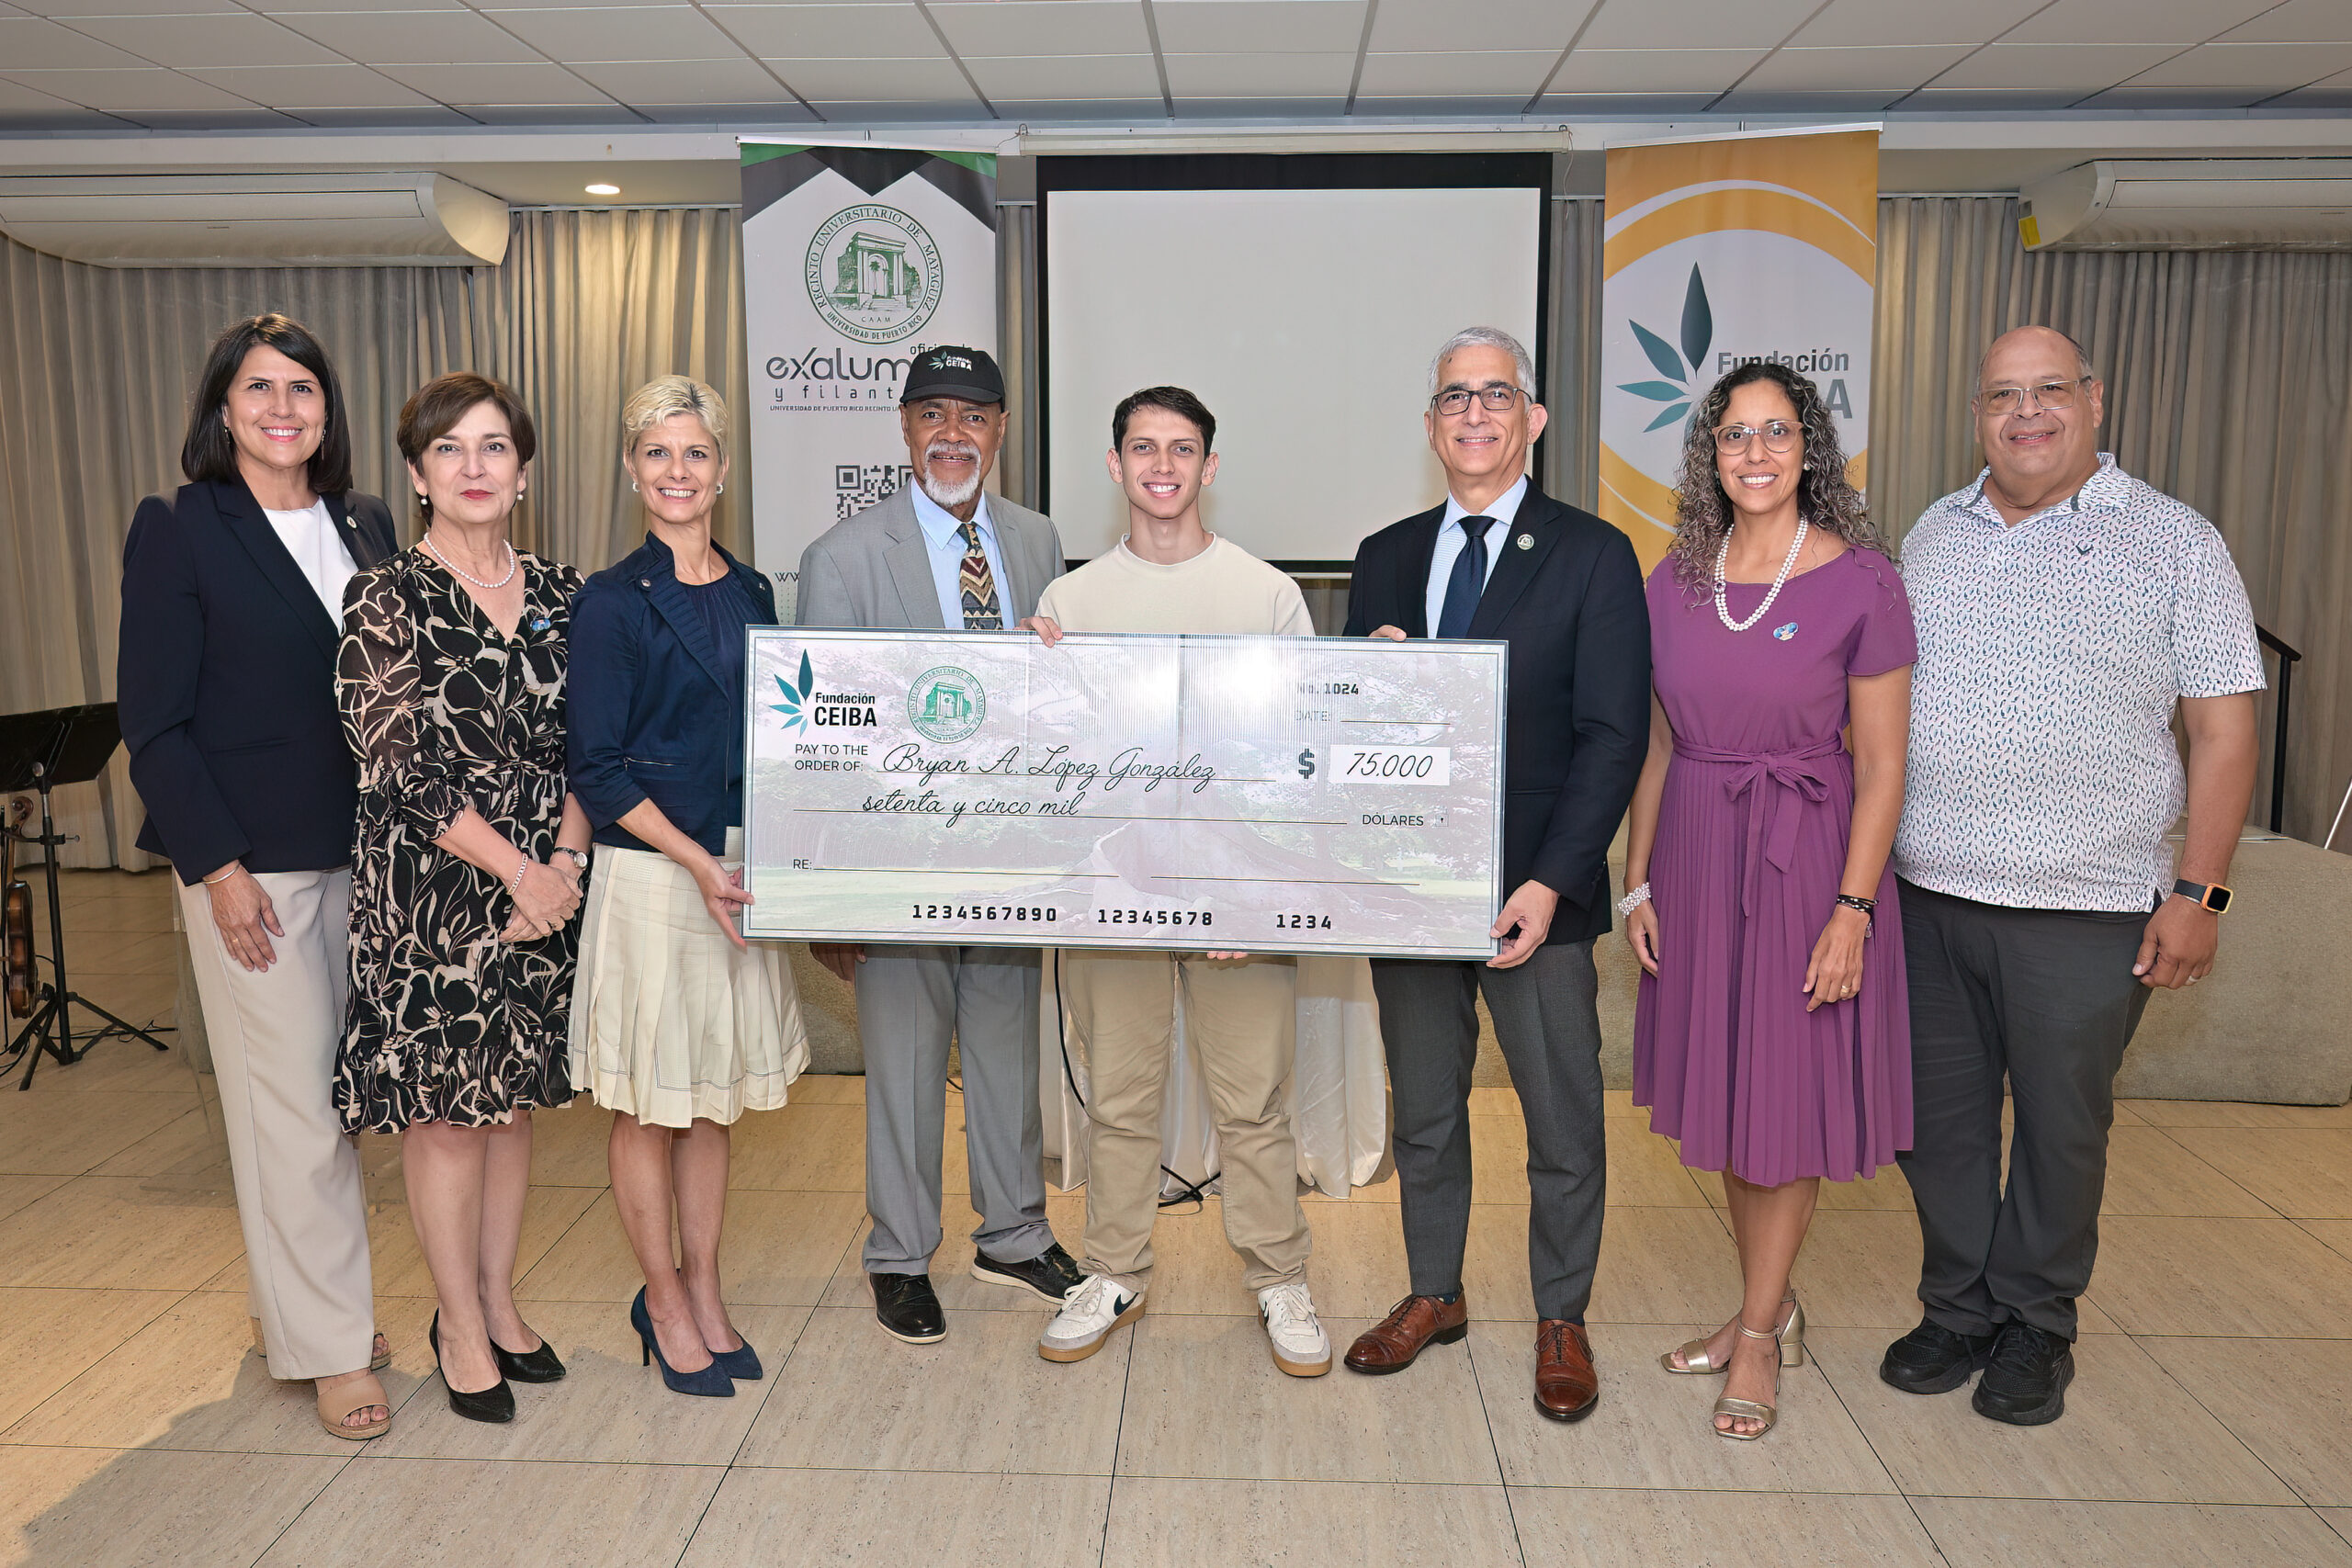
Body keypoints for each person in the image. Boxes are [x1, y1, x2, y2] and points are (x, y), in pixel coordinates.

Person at [1883, 324, 2262, 1426]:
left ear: (2093, 400)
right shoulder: (1931, 534)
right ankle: (1958, 1307)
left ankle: (2035, 1324)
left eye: (2048, 390)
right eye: (2002, 395)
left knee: (2060, 1129)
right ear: (1976, 413)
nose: (2025, 413)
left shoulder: (2175, 541)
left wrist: (2199, 893)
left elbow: (2224, 733)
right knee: (1934, 1126)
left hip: (2087, 908)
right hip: (1927, 895)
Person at [1340, 326, 1649, 1423]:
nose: (1474, 414)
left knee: (1562, 1121)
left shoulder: (1593, 553)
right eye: (1454, 398)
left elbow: (1613, 735)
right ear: (1430, 425)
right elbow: (1351, 729)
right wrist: (1368, 684)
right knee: (1425, 1111)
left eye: (1496, 395)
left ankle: (1561, 1315)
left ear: (1534, 418)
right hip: (1412, 890)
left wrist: (1553, 882)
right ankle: (1434, 1292)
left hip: (1536, 896)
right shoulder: (1382, 553)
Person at [1623, 361, 1916, 1440]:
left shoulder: (1863, 581)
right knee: (1736, 1105)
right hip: (1698, 856)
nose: (1756, 453)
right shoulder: (1671, 581)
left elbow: (1882, 767)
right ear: (1710, 453)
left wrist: (1853, 910)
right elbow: (1658, 746)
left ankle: (1755, 1334)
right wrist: (1636, 882)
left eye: (1776, 432)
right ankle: (1768, 1304)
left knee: (1782, 1112)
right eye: (1735, 434)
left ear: (1809, 448)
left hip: (1807, 865)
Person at [118, 313, 399, 1441]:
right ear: (222, 410)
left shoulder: (366, 523)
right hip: (252, 868)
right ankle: (331, 1346)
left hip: (368, 855)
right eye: (259, 389)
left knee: (342, 1100)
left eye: (303, 389)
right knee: (293, 1112)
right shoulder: (180, 527)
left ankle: (316, 1306)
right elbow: (154, 724)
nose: (284, 408)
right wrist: (219, 869)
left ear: (328, 409)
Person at [1033, 385, 1330, 1377]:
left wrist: (1257, 893)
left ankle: (1279, 1277)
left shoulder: (1267, 595)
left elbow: (1299, 761)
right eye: (1143, 447)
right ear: (1114, 464)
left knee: (1253, 1103)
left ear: (1210, 466)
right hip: (1111, 892)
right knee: (1119, 1101)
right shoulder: (1070, 604)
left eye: (1182, 448)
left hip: (1237, 900)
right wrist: (1021, 678)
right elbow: (1048, 760)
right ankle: (1112, 1270)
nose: (1162, 465)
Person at [795, 344, 1084, 1344]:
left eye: (973, 415)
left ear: (1000, 429)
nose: (952, 434)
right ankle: (900, 1255)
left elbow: (1060, 704)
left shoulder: (1038, 541)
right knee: (906, 1064)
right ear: (904, 427)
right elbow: (822, 740)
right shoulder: (842, 557)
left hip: (1010, 853)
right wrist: (830, 896)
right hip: (895, 863)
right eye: (932, 414)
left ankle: (1014, 1232)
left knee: (1006, 1053)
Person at [336, 371, 591, 1425]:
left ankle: (498, 1298)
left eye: (494, 447)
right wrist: (520, 871)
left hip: (548, 890)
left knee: (511, 1104)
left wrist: (563, 865)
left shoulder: (571, 594)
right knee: (447, 1115)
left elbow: (597, 747)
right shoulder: (383, 596)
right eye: (449, 449)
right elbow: (398, 767)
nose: (473, 467)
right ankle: (456, 1325)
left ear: (524, 472)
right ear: (417, 474)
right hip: (435, 893)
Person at [567, 375, 808, 1396]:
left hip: (734, 869)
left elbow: (777, 736)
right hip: (657, 876)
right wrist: (699, 861)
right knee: (649, 1107)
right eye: (658, 453)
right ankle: (661, 1299)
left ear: (723, 470)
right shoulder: (611, 600)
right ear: (633, 470)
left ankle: (706, 1288)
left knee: (712, 1104)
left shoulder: (753, 591)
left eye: (695, 453)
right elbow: (595, 767)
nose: (678, 471)